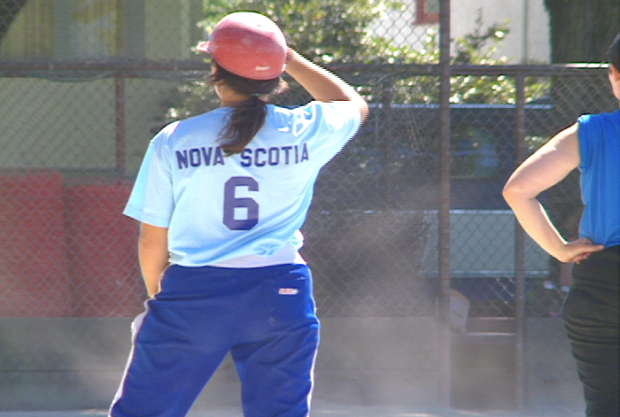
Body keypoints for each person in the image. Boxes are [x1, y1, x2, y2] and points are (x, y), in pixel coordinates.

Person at [108, 11, 368, 417]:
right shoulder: (304, 129)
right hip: (280, 288)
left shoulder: (176, 139)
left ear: (215, 70)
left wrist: (164, 298)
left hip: (195, 289)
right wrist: (291, 59)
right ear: (276, 74)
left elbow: (151, 239)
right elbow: (351, 105)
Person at [503, 32, 620, 417]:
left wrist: (561, 250)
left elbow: (518, 190)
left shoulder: (591, 133)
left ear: (614, 76)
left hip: (602, 285)